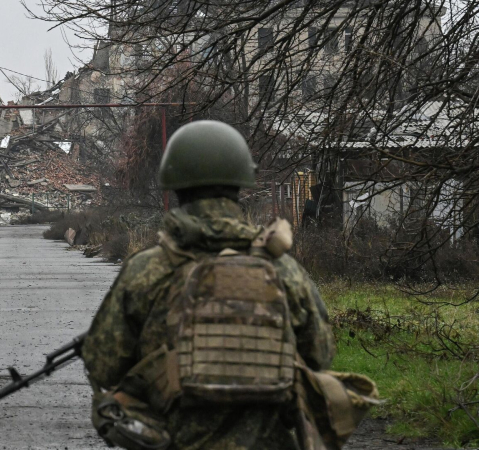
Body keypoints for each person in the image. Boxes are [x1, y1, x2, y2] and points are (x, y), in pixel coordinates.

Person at [82, 120, 337, 450]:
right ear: (241, 184)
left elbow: (103, 366)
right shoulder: (283, 270)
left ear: (175, 186)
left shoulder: (147, 270)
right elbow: (321, 357)